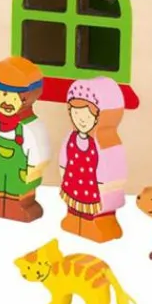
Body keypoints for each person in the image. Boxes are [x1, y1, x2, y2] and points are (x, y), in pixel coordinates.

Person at [0, 56, 49, 222]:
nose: (5, 101)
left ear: (27, 97)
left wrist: (33, 170)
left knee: (19, 190)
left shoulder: (31, 127)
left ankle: (22, 205)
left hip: (20, 177)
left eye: (12, 96)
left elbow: (39, 154)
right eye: (0, 94)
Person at [58, 77, 126, 242]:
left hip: (93, 187)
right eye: (75, 113)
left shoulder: (105, 143)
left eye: (87, 115)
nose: (80, 119)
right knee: (73, 206)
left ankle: (100, 224)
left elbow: (113, 171)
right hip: (73, 181)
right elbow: (64, 158)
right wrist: (63, 172)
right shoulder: (71, 137)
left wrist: (106, 187)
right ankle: (72, 220)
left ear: (99, 116)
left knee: (94, 210)